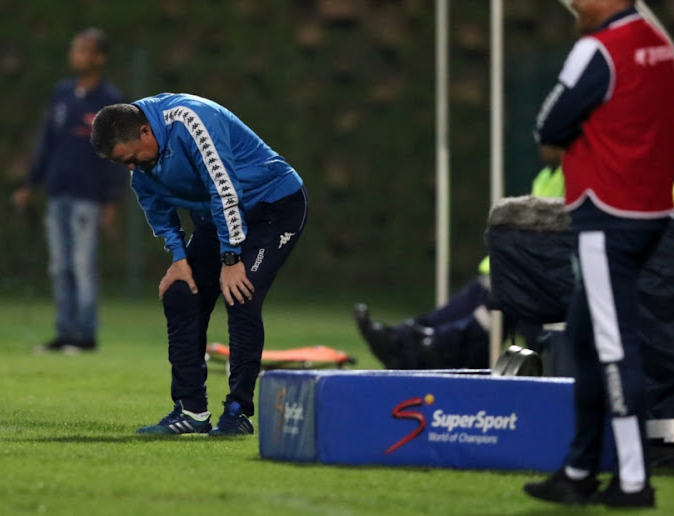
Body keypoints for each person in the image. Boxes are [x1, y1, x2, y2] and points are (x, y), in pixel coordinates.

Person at [523, 0, 674, 508]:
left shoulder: (598, 49)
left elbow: (548, 125)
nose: (575, 8)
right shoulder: (660, 43)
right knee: (587, 342)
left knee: (612, 347)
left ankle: (633, 480)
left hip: (605, 214)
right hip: (651, 210)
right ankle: (580, 468)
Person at [90, 94, 308, 436]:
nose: (131, 168)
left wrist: (231, 258)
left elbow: (225, 189)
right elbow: (156, 208)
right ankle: (191, 411)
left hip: (272, 209)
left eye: (131, 158)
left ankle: (238, 413)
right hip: (215, 218)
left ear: (147, 132)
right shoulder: (142, 165)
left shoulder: (191, 121)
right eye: (123, 164)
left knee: (242, 293)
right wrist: (178, 258)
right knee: (181, 295)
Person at [354, 165, 564, 370]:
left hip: (536, 284)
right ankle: (404, 339)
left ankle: (416, 346)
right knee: (472, 300)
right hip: (516, 275)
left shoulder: (572, 174)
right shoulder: (547, 176)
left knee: (494, 308)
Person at [12, 28, 126, 353]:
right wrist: (29, 184)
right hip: (56, 191)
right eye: (74, 50)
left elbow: (116, 153)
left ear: (99, 58)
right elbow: (47, 142)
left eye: (83, 51)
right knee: (59, 267)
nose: (76, 56)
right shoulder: (62, 93)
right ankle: (63, 333)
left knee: (82, 265)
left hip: (88, 197)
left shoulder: (109, 100)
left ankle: (85, 336)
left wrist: (111, 200)